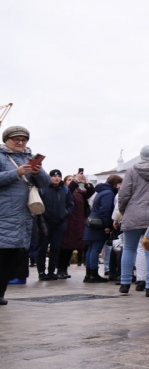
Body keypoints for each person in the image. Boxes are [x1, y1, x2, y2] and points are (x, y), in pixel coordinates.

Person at [0, 126, 50, 305]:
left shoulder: (29, 157)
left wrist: (38, 172)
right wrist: (17, 173)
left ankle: (0, 292)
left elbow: (45, 183)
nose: (21, 142)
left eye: (24, 139)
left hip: (23, 216)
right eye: (16, 139)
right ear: (6, 140)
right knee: (2, 255)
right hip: (3, 214)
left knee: (13, 257)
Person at [116, 145, 149, 296]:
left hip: (133, 213)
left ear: (141, 155)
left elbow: (123, 194)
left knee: (129, 248)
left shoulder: (132, 170)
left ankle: (125, 283)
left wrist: (123, 211)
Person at [37, 169, 74, 280]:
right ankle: (41, 272)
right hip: (45, 222)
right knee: (42, 248)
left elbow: (70, 204)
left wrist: (66, 213)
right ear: (50, 177)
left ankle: (52, 271)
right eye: (54, 176)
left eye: (58, 176)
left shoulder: (65, 190)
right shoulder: (43, 189)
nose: (56, 178)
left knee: (56, 248)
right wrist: (41, 216)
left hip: (60, 223)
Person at [84, 175, 122, 283]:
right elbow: (105, 210)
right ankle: (93, 274)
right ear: (115, 184)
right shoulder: (109, 193)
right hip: (99, 224)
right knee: (95, 249)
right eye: (120, 184)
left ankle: (89, 274)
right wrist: (107, 225)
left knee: (91, 249)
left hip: (92, 222)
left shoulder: (101, 191)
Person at [58, 173, 94, 278]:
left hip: (78, 222)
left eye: (72, 179)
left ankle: (65, 269)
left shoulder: (78, 191)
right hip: (68, 221)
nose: (71, 181)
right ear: (65, 182)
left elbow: (89, 193)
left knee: (71, 246)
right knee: (64, 247)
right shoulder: (64, 190)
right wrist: (75, 181)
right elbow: (69, 190)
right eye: (69, 180)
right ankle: (60, 269)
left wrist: (86, 183)